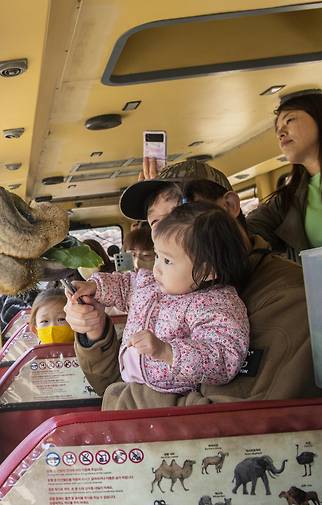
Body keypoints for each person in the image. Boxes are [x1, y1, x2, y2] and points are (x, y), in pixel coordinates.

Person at [65, 159, 320, 409]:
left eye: (179, 213)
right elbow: (118, 380)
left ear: (229, 205)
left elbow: (227, 420)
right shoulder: (166, 283)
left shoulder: (290, 295)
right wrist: (95, 333)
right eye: (155, 222)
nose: (167, 231)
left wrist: (120, 398)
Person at [70, 202, 250, 394]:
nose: (156, 268)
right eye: (157, 256)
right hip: (129, 385)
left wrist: (167, 352)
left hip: (170, 396)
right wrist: (95, 286)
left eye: (167, 260)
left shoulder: (216, 305)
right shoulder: (150, 283)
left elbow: (224, 359)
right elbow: (124, 285)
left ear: (207, 270)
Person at [247, 89, 322, 262]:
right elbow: (246, 229)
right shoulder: (284, 202)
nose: (281, 133)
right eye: (278, 130)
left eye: (290, 120)